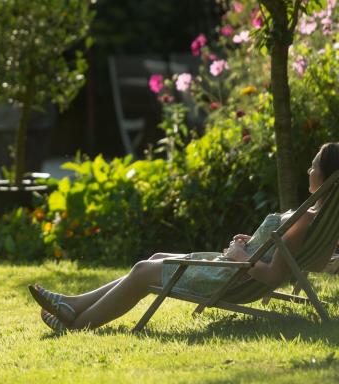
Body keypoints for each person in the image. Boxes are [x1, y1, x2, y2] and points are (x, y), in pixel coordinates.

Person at [28, 142, 339, 333]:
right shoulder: (315, 218)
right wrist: (254, 242)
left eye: (313, 166)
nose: (308, 170)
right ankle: (74, 304)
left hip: (228, 277)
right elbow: (286, 256)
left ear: (324, 175)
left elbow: (272, 276)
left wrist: (241, 257)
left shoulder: (304, 220)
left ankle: (78, 324)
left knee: (141, 271)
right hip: (231, 270)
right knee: (156, 259)